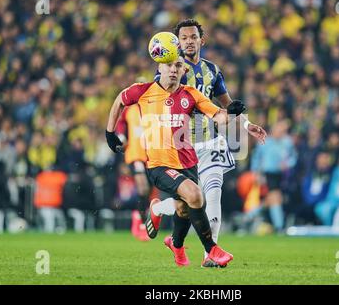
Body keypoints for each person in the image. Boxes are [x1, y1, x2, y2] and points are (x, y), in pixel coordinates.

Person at [105, 51, 251, 267]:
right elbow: (119, 100)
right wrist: (110, 133)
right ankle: (212, 250)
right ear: (159, 68)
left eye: (178, 66)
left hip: (188, 162)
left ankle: (176, 243)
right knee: (195, 195)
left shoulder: (190, 94)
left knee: (183, 208)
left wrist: (230, 112)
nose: (173, 69)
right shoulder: (143, 91)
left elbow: (217, 116)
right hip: (158, 165)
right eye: (168, 65)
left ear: (184, 70)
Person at [146, 19, 267, 267]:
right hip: (179, 146)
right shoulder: (168, 69)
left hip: (209, 142)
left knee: (212, 194)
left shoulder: (212, 70)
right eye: (184, 37)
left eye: (193, 37)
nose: (189, 41)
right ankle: (159, 211)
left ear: (202, 40)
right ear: (177, 42)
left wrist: (246, 124)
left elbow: (227, 104)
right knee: (186, 204)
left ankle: (208, 256)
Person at [250, 120, 297, 231]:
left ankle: (248, 216)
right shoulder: (264, 142)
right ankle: (279, 226)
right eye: (279, 130)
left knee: (272, 199)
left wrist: (287, 164)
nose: (281, 133)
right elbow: (256, 159)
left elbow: (294, 158)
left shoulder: (287, 142)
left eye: (283, 131)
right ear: (273, 130)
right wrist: (256, 173)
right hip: (268, 174)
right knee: (275, 197)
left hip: (283, 175)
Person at [116, 104, 151, 240]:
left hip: (152, 155)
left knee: (148, 190)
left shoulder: (153, 107)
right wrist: (122, 139)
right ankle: (142, 224)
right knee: (142, 188)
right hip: (135, 153)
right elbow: (120, 125)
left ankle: (138, 215)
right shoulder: (130, 110)